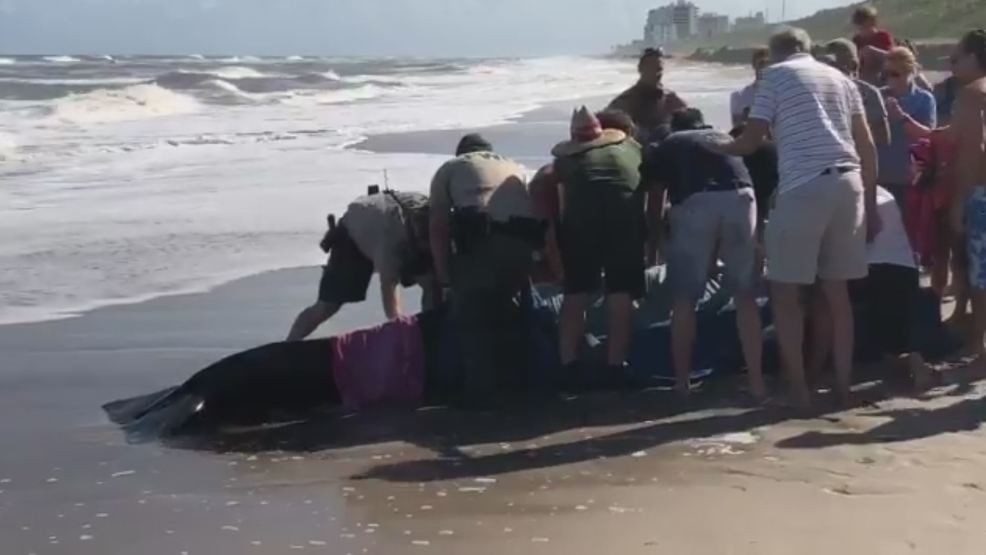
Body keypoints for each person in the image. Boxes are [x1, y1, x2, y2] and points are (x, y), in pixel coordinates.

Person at [717, 27, 880, 408]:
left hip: (804, 187)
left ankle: (799, 391)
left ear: (776, 54)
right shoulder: (841, 78)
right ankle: (842, 386)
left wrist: (714, 145)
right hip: (849, 183)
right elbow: (867, 144)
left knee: (786, 293)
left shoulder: (775, 76)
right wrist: (870, 205)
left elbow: (750, 140)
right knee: (837, 294)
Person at [642, 108, 764, 401]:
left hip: (696, 202)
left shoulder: (670, 143)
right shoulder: (721, 136)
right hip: (742, 197)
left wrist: (653, 246)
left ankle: (683, 382)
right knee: (745, 297)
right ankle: (758, 383)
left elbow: (656, 202)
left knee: (684, 300)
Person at [429, 133, 541, 404]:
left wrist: (444, 276)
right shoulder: (514, 165)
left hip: (483, 246)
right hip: (523, 247)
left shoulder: (450, 168)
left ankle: (480, 395)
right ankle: (521, 384)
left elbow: (438, 226)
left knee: (471, 317)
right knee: (508, 311)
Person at [809, 187, 934, 391]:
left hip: (870, 269)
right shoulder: (884, 194)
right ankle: (914, 361)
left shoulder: (840, 194)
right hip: (905, 269)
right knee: (894, 322)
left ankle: (815, 371)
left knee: (825, 300)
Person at [552, 107, 644, 381]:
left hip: (582, 223)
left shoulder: (565, 163)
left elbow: (560, 205)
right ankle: (616, 366)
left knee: (576, 293)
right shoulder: (632, 148)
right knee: (621, 294)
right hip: (625, 217)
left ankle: (568, 366)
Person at [286, 189, 436, 341]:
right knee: (327, 306)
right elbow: (389, 288)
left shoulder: (432, 209)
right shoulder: (391, 242)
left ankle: (431, 333)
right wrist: (400, 329)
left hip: (384, 217)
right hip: (353, 234)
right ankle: (290, 342)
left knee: (432, 283)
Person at [949, 30, 986, 364]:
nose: (951, 64)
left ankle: (978, 345)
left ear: (975, 57)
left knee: (981, 275)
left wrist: (959, 200)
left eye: (956, 57)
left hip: (982, 194)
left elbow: (972, 152)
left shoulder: (972, 95)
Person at [880, 47, 937, 213]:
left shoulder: (924, 99)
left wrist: (901, 117)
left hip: (907, 179)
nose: (890, 79)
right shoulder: (878, 96)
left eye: (895, 74)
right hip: (880, 177)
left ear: (911, 72)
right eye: (886, 74)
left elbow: (928, 135)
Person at [608, 47, 686, 143]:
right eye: (651, 68)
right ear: (640, 69)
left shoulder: (671, 99)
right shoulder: (625, 101)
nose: (656, 73)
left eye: (659, 69)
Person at [824, 39, 892, 147]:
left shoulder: (868, 93)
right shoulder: (821, 91)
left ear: (852, 65)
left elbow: (882, 137)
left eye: (835, 66)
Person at [851, 5, 894, 85]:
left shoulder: (883, 36)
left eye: (865, 26)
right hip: (863, 78)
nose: (863, 30)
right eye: (860, 27)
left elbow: (892, 57)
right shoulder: (856, 40)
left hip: (883, 75)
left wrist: (873, 51)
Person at [730, 48, 770, 128]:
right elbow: (737, 129)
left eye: (768, 64)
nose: (765, 68)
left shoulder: (781, 94)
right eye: (761, 64)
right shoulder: (739, 96)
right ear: (754, 65)